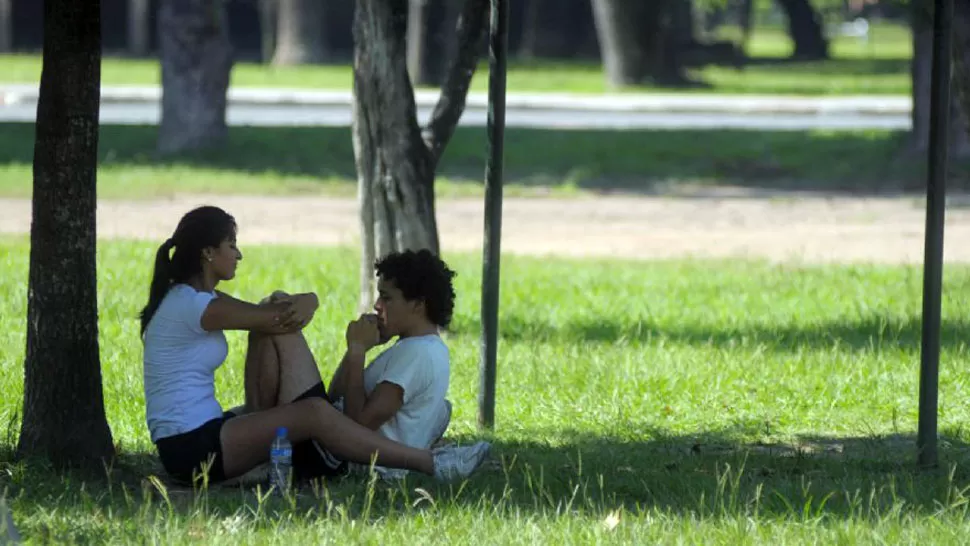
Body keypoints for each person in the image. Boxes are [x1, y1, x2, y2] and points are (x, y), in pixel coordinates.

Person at [140, 205, 489, 487]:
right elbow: (275, 316)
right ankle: (433, 465)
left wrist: (344, 339)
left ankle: (264, 433)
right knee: (315, 413)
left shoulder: (196, 299)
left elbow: (268, 318)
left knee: (274, 333)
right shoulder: (194, 306)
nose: (239, 253)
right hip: (193, 450)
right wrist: (312, 301)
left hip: (201, 436)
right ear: (207, 253)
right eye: (231, 245)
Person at [328, 250, 456, 477]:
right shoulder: (422, 348)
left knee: (285, 337)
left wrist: (358, 352)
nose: (377, 305)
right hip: (345, 453)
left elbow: (357, 427)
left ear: (418, 305)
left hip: (353, 463)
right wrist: (357, 350)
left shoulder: (416, 353)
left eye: (386, 298)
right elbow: (335, 394)